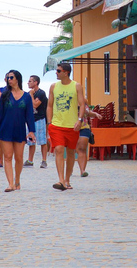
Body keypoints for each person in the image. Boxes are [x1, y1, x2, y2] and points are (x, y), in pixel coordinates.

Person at [0, 70, 36, 192]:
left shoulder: (27, 96)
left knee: (18, 158)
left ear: (17, 79)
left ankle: (17, 179)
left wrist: (31, 131)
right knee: (7, 157)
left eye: (11, 77)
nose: (9, 79)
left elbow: (29, 116)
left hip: (19, 130)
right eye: (7, 78)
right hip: (5, 129)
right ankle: (10, 184)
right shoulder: (5, 95)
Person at [47, 63, 85, 191]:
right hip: (57, 125)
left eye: (58, 71)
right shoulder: (53, 87)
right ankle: (61, 180)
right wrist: (49, 122)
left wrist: (80, 120)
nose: (56, 73)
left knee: (70, 152)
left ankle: (67, 179)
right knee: (58, 149)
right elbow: (50, 105)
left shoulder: (76, 86)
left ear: (66, 72)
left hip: (72, 125)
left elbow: (82, 104)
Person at [25, 75, 49, 168]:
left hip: (40, 119)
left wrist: (31, 94)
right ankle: (30, 160)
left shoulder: (41, 93)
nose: (28, 83)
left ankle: (44, 160)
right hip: (31, 120)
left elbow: (35, 105)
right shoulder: (28, 93)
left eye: (30, 81)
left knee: (42, 141)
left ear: (36, 82)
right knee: (31, 141)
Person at [76, 103, 102, 178]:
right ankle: (69, 169)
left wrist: (95, 114)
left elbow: (87, 112)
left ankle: (82, 170)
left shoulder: (82, 101)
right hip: (70, 127)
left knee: (82, 149)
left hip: (84, 127)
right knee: (70, 151)